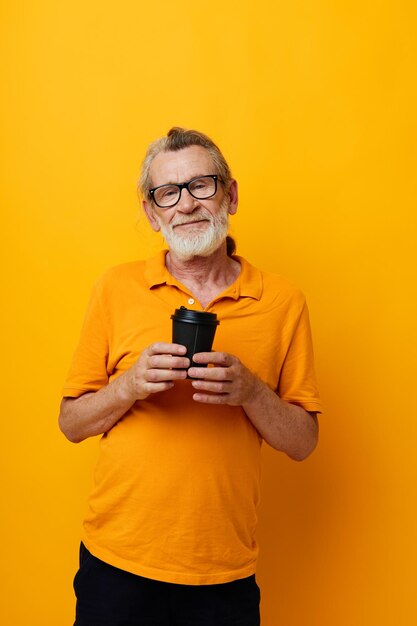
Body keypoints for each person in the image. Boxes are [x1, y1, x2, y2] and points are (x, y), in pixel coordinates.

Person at [59, 127, 322, 626]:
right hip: (116, 564)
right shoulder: (114, 289)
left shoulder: (284, 302)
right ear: (151, 212)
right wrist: (130, 385)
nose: (186, 204)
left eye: (202, 184)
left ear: (231, 194)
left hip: (222, 573)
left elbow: (304, 441)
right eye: (168, 192)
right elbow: (71, 424)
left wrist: (250, 391)